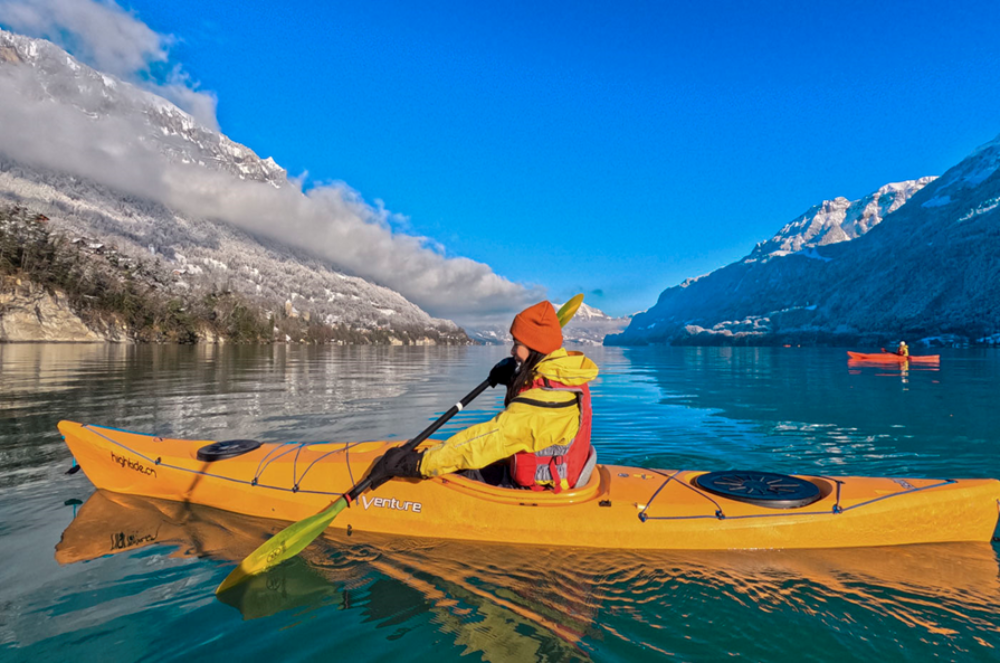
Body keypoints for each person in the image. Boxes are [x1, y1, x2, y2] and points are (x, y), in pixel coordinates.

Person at [368, 300, 600, 492]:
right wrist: (514, 378)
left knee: (453, 471)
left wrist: (420, 464)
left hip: (538, 491)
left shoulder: (549, 401)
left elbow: (492, 438)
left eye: (517, 345)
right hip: (541, 479)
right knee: (462, 464)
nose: (511, 351)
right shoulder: (560, 373)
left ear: (535, 349)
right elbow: (527, 416)